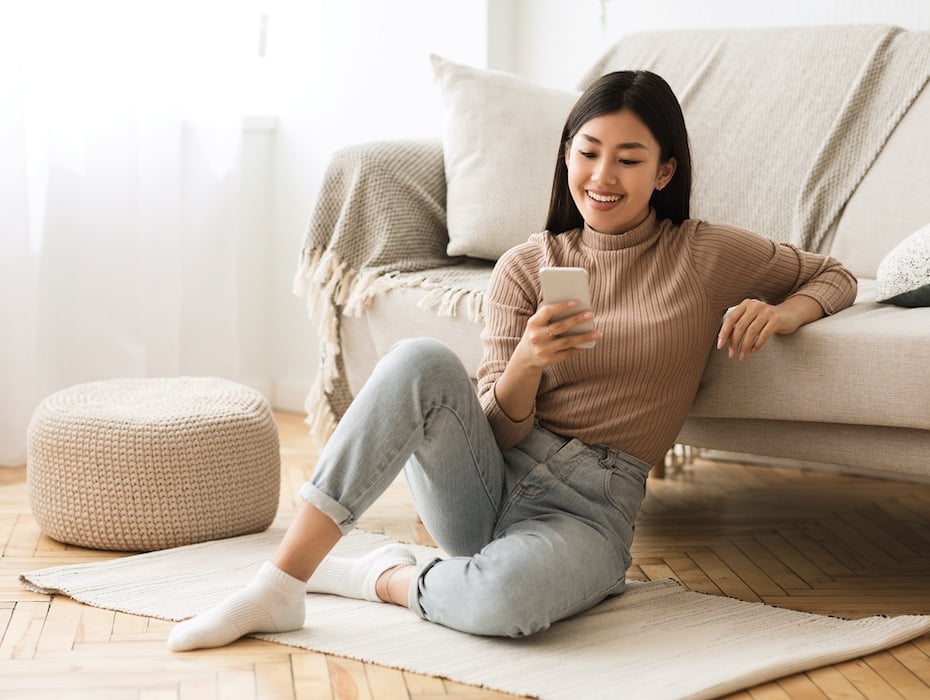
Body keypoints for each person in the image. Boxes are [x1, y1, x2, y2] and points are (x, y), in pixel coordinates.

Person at [167, 70, 857, 651]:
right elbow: (495, 430)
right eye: (587, 152)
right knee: (418, 360)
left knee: (502, 605)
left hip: (592, 510)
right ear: (565, 157)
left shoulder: (702, 255)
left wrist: (783, 311)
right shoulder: (528, 266)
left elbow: (833, 274)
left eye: (628, 157)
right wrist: (526, 362)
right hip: (488, 478)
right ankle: (279, 584)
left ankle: (376, 575)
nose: (603, 176)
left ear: (664, 170)